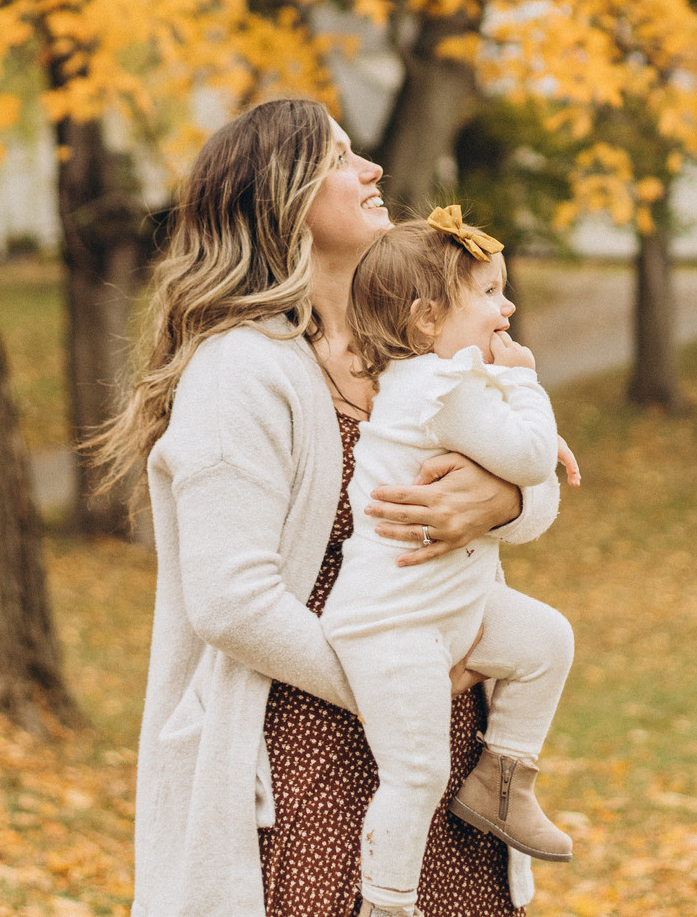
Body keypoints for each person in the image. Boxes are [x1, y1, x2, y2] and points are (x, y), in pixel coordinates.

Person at [104, 101, 560, 917]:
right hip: (305, 759)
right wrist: (394, 683)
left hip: (433, 749)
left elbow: (539, 471)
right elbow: (231, 600)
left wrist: (503, 500)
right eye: (340, 156)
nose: (373, 168)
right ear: (280, 197)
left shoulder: (421, 351)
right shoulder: (241, 371)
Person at [328, 212, 579, 916]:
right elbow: (526, 455)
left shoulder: (439, 381)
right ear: (427, 321)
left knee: (545, 639)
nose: (508, 309)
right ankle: (386, 903)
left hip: (451, 606)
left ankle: (502, 781)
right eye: (490, 294)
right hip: (393, 618)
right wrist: (527, 384)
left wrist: (532, 449)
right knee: (415, 770)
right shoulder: (441, 387)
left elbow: (523, 468)